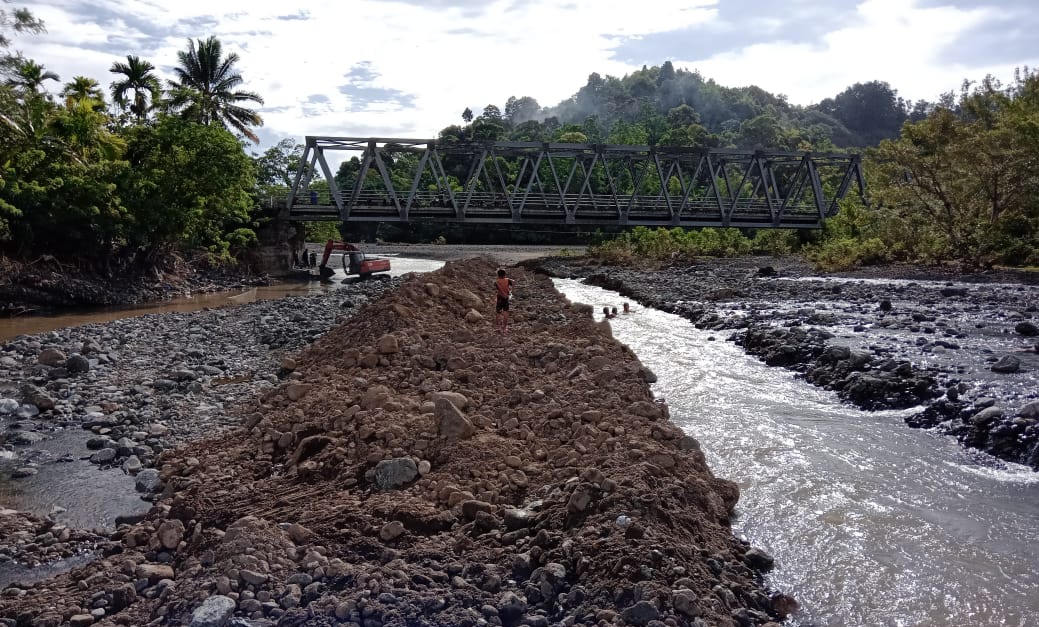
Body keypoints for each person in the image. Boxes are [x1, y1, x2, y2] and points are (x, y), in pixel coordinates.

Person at [494, 269, 515, 334]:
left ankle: (499, 328)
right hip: (506, 298)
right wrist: (511, 290)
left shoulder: (497, 281)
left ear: (498, 275)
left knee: (498, 313)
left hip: (500, 298)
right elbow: (514, 281)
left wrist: (503, 293)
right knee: (506, 313)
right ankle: (505, 328)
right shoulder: (507, 280)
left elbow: (499, 288)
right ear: (505, 274)